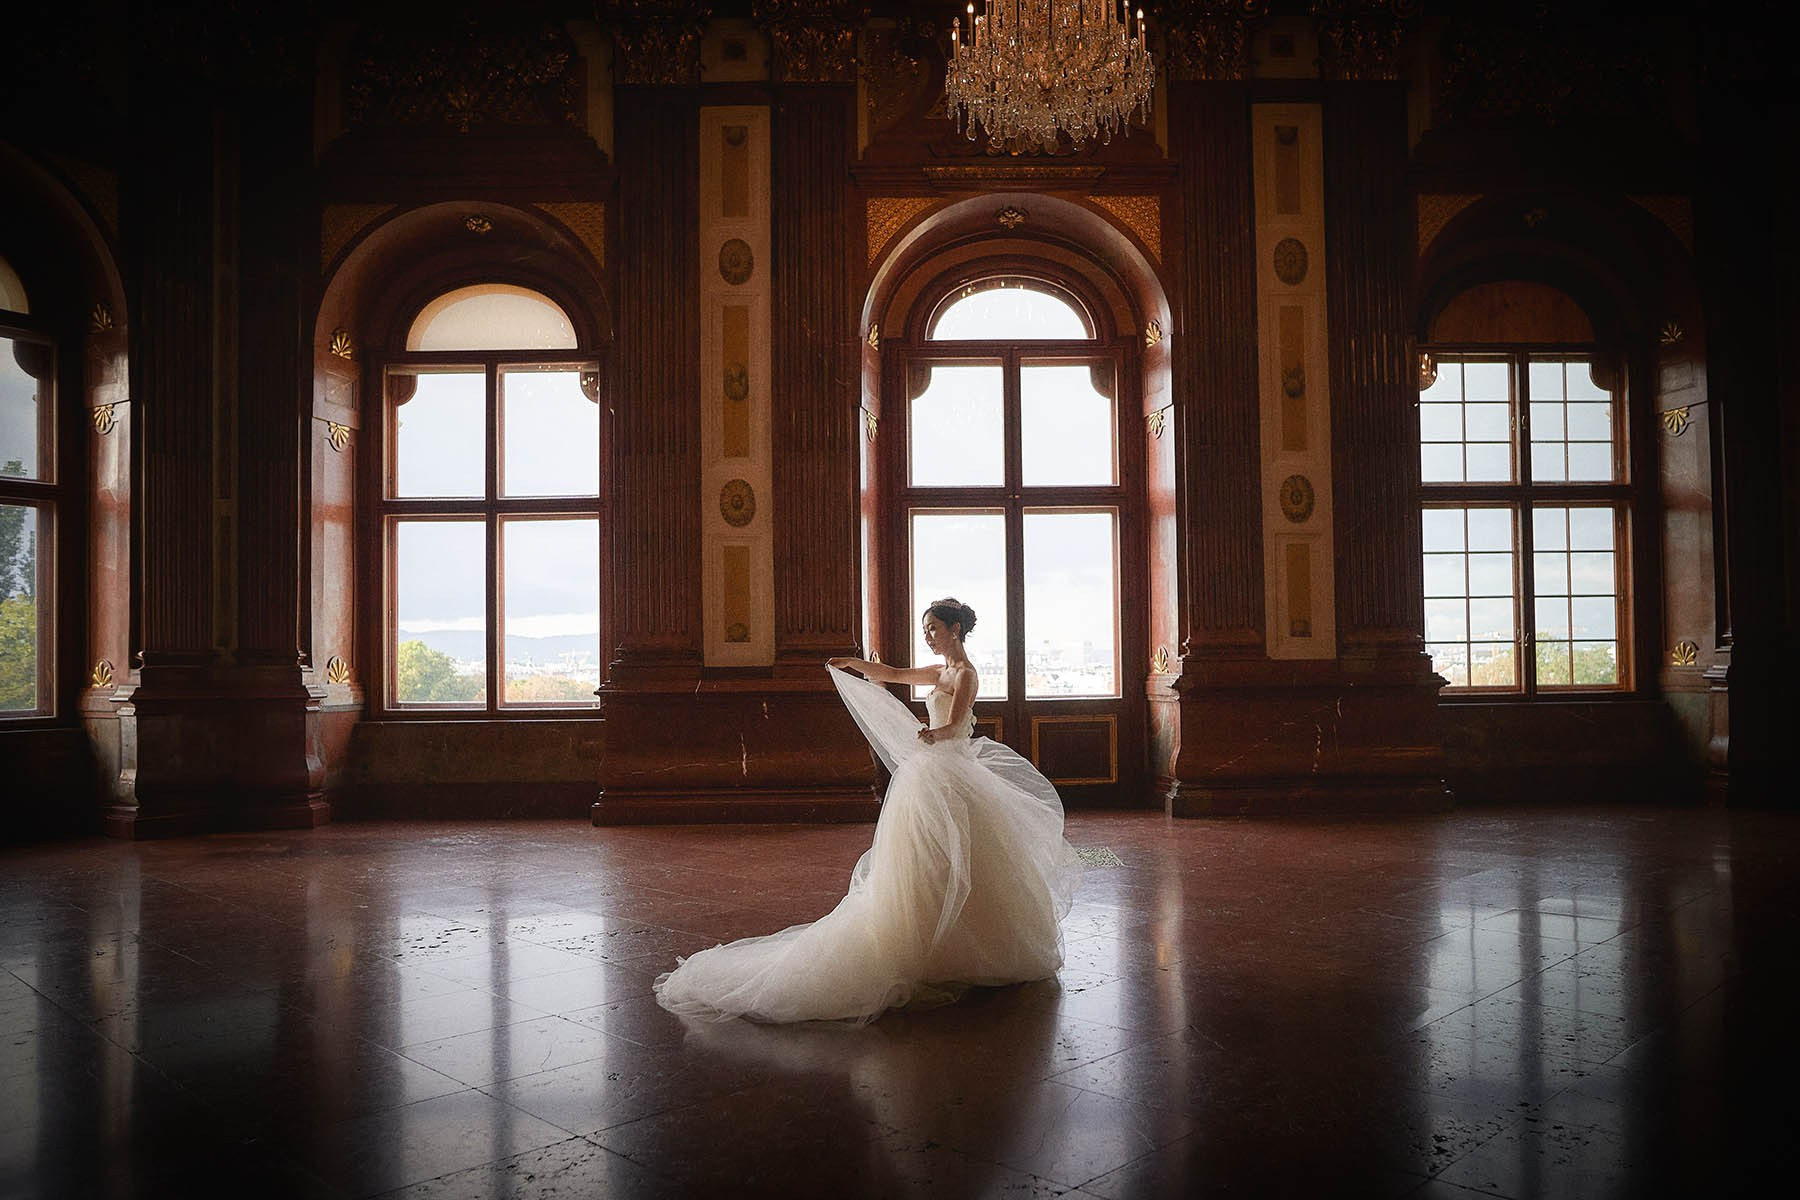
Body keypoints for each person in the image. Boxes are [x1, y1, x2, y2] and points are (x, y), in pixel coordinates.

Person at [652, 597, 1083, 1024]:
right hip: (932, 772)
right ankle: (929, 938)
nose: (928, 636)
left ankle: (969, 944)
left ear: (955, 629)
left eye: (933, 628)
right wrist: (853, 664)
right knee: (923, 859)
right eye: (925, 629)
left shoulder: (965, 674)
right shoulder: (939, 672)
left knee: (967, 856)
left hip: (951, 769)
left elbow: (955, 724)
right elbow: (893, 674)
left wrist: (934, 734)